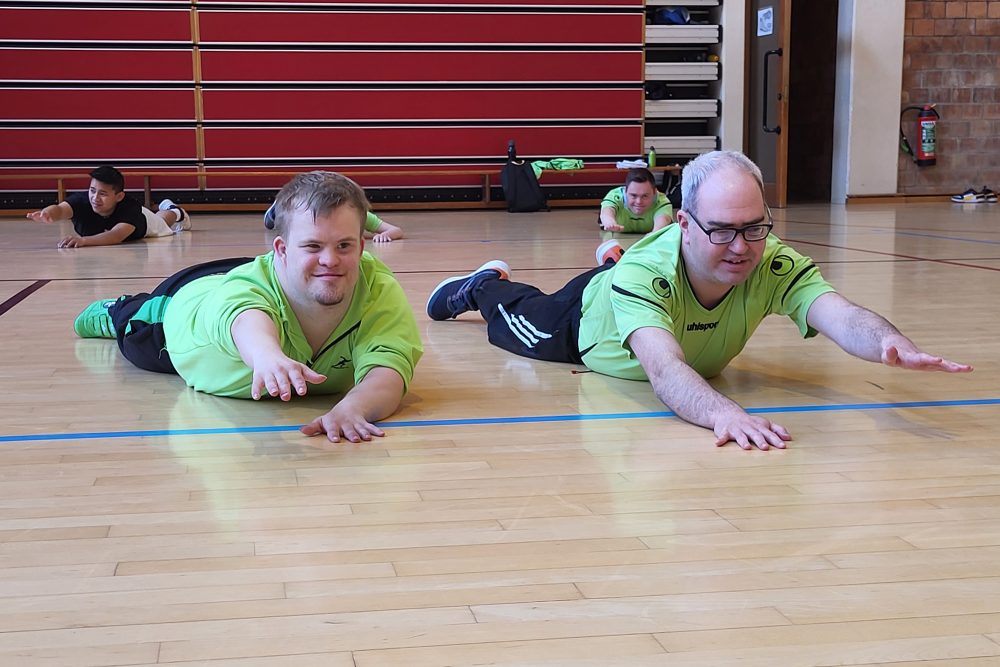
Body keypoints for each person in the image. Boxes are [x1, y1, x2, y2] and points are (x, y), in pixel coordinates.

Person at [427, 150, 972, 451]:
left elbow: (840, 313)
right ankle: (482, 284)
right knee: (516, 320)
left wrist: (890, 343)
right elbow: (665, 371)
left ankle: (601, 265)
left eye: (754, 228)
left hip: (636, 283)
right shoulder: (648, 270)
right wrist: (724, 413)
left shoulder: (767, 257)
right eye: (722, 231)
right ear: (684, 223)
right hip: (578, 328)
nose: (741, 248)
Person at [72, 171, 423, 443]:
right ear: (283, 249)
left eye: (344, 245)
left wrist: (352, 408)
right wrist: (266, 356)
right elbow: (243, 318)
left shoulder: (378, 288)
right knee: (136, 324)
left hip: (278, 278)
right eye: (313, 245)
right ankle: (115, 310)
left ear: (361, 247)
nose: (330, 259)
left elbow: (390, 367)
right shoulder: (245, 294)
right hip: (178, 309)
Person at [26, 165, 191, 248]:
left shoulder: (129, 208)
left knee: (163, 220)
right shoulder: (82, 201)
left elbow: (116, 235)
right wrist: (47, 213)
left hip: (145, 224)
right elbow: (61, 209)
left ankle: (176, 212)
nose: (95, 198)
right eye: (92, 191)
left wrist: (83, 241)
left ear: (119, 196)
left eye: (102, 194)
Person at [264, 200, 402, 242]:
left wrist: (385, 235)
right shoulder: (314, 216)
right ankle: (282, 207)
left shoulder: (362, 215)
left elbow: (396, 230)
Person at [598, 167, 673, 233]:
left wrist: (654, 234)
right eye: (633, 195)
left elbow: (660, 226)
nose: (639, 202)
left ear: (654, 193)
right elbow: (606, 212)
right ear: (625, 192)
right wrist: (610, 222)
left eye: (645, 196)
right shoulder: (615, 196)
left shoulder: (662, 201)